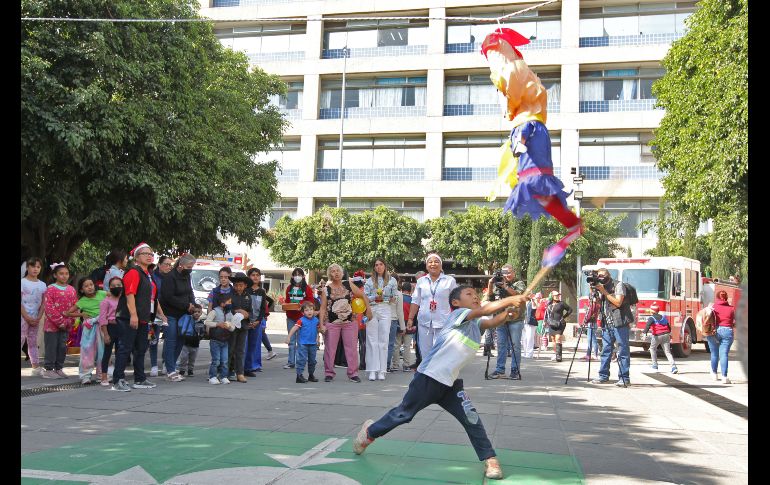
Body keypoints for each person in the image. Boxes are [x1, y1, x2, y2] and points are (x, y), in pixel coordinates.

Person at [353, 286, 529, 480]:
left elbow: (498, 319)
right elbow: (485, 311)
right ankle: (370, 432)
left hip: (450, 384)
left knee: (472, 419)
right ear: (456, 303)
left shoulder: (476, 325)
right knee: (403, 414)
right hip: (428, 378)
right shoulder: (458, 316)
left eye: (476, 294)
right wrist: (509, 301)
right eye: (469, 294)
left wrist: (513, 310)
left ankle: (490, 458)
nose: (475, 297)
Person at [481, 27, 583, 268]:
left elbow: (519, 145)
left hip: (533, 176)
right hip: (536, 176)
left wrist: (518, 147)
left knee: (543, 196)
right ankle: (572, 227)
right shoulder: (536, 124)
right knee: (548, 200)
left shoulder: (527, 124)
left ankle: (572, 227)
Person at [111, 243, 166, 392]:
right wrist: (133, 315)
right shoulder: (133, 272)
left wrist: (161, 314)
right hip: (129, 317)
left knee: (141, 349)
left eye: (151, 254)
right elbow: (130, 295)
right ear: (136, 257)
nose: (149, 256)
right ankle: (118, 380)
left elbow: (153, 298)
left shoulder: (148, 275)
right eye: (145, 253)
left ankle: (140, 379)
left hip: (144, 318)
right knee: (125, 348)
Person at [321, 263, 367, 383]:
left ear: (342, 273)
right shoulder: (326, 289)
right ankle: (329, 373)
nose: (336, 273)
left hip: (350, 322)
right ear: (329, 274)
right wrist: (321, 324)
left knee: (351, 348)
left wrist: (368, 311)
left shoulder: (348, 284)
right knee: (330, 349)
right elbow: (322, 308)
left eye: (338, 271)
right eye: (333, 271)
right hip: (332, 322)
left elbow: (362, 295)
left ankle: (353, 373)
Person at [407, 253, 458, 361]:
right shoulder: (421, 281)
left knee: (441, 353)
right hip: (424, 322)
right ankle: (427, 376)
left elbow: (456, 301)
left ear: (441, 265)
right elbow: (416, 301)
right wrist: (410, 319)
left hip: (443, 322)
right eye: (430, 262)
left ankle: (440, 377)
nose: (433, 264)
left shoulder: (450, 281)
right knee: (426, 353)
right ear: (426, 265)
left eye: (436, 261)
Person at [590, 268, 633, 387]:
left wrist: (604, 291)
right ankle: (603, 376)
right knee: (606, 350)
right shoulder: (600, 286)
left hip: (620, 323)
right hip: (606, 323)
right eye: (598, 276)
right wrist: (594, 292)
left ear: (608, 276)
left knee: (622, 350)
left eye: (602, 275)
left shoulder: (618, 285)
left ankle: (624, 377)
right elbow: (599, 303)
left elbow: (618, 302)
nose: (600, 277)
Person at [159, 253, 197, 382]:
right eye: (189, 266)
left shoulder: (187, 276)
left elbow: (190, 291)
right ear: (181, 265)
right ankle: (170, 370)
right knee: (171, 341)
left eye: (192, 266)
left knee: (180, 341)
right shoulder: (170, 277)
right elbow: (168, 297)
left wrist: (193, 304)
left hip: (183, 314)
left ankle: (172, 367)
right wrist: (186, 305)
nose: (191, 268)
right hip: (170, 314)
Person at [487, 264, 526, 379]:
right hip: (501, 318)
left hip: (516, 319)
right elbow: (491, 298)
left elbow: (518, 295)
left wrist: (505, 287)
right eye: (505, 272)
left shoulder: (519, 283)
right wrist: (490, 284)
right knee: (501, 345)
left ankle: (515, 370)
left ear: (514, 272)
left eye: (509, 272)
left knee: (515, 345)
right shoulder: (498, 284)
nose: (507, 274)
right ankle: (500, 370)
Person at [364, 258, 399, 381]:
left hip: (385, 308)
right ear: (374, 267)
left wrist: (390, 298)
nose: (378, 267)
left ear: (385, 266)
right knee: (371, 339)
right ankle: (372, 369)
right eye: (376, 265)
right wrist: (375, 296)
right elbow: (366, 297)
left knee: (384, 340)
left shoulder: (392, 280)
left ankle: (382, 370)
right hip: (372, 309)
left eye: (381, 264)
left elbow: (395, 297)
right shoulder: (369, 281)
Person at [42, 263, 79, 379]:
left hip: (66, 325)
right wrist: (60, 322)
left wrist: (71, 321)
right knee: (51, 347)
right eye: (61, 274)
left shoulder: (71, 290)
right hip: (52, 325)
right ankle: (48, 369)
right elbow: (49, 307)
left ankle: (59, 368)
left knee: (62, 347)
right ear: (55, 275)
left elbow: (75, 305)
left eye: (66, 273)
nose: (64, 276)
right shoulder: (50, 288)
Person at [69, 277, 107, 384]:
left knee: (103, 352)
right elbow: (68, 313)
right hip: (89, 328)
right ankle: (85, 376)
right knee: (87, 351)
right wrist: (81, 314)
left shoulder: (102, 293)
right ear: (81, 290)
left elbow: (115, 295)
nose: (89, 287)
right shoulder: (82, 301)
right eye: (86, 286)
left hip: (103, 326)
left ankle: (102, 375)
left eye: (91, 284)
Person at [286, 301, 325, 383]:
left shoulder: (316, 320)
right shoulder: (301, 320)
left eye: (311, 309)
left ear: (314, 311)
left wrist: (318, 339)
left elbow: (317, 330)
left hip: (313, 344)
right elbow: (294, 328)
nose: (309, 311)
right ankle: (299, 376)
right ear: (303, 312)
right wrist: (289, 337)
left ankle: (311, 375)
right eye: (307, 310)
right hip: (303, 344)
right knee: (302, 360)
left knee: (312, 361)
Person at [283, 268, 314, 369]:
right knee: (291, 341)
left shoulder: (307, 288)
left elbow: (311, 302)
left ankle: (301, 361)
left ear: (303, 276)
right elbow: (287, 301)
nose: (297, 276)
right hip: (291, 317)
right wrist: (286, 306)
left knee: (301, 341)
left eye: (299, 274)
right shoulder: (289, 288)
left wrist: (301, 306)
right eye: (295, 274)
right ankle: (291, 362)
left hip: (303, 319)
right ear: (292, 276)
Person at [244, 267, 272, 376]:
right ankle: (242, 367)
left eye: (257, 275)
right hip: (246, 322)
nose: (255, 277)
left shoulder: (261, 291)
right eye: (253, 275)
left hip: (257, 322)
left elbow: (262, 309)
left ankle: (250, 367)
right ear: (249, 277)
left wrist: (259, 320)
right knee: (244, 345)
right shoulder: (246, 290)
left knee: (253, 345)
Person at [21, 257, 46, 377]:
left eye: (38, 267)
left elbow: (43, 303)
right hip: (23, 316)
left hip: (35, 318)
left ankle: (35, 366)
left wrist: (38, 317)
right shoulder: (22, 282)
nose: (35, 269)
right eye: (33, 266)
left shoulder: (42, 285)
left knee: (32, 341)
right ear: (27, 267)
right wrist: (26, 316)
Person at [226, 272, 253, 383]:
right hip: (232, 326)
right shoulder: (230, 295)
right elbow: (227, 310)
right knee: (230, 349)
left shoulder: (248, 296)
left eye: (241, 285)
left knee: (240, 350)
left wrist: (248, 315)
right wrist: (237, 311)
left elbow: (251, 312)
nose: (238, 287)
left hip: (244, 326)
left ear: (245, 285)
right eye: (236, 285)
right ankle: (226, 372)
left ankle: (240, 373)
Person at [149, 255, 173, 377]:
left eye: (170, 265)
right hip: (155, 312)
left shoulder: (171, 277)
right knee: (154, 339)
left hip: (169, 311)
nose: (169, 267)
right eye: (166, 264)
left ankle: (166, 363)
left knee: (168, 338)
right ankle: (154, 365)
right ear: (159, 265)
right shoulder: (152, 277)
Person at [205, 294, 236, 385]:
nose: (230, 303)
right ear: (222, 303)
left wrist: (229, 326)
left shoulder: (230, 313)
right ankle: (213, 376)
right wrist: (217, 324)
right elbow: (207, 322)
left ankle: (223, 376)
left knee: (225, 360)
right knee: (216, 360)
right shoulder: (214, 311)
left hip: (225, 340)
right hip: (215, 340)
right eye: (228, 302)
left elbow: (233, 327)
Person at [706, 290, 736, 383]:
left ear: (717, 297)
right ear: (726, 298)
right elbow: (735, 322)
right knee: (724, 354)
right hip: (727, 331)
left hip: (713, 331)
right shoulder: (732, 308)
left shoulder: (712, 307)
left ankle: (714, 374)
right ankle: (724, 377)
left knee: (714, 353)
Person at [98, 276, 123, 386]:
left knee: (120, 352)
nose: (116, 287)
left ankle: (118, 374)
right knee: (107, 352)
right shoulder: (105, 302)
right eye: (113, 286)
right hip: (110, 327)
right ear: (109, 287)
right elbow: (102, 319)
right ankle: (104, 376)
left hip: (122, 327)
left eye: (119, 285)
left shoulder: (124, 300)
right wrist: (106, 334)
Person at [643, 302, 678, 374]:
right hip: (666, 335)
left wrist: (644, 334)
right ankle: (673, 367)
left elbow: (647, 326)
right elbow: (668, 327)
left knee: (652, 349)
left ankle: (655, 365)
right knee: (668, 352)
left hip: (657, 336)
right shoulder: (663, 317)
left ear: (652, 311)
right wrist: (670, 333)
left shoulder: (651, 318)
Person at [392, 281, 415, 371]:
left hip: (398, 324)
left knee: (396, 345)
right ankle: (406, 365)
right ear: (410, 290)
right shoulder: (412, 300)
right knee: (407, 346)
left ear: (401, 289)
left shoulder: (398, 298)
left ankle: (395, 365)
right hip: (409, 325)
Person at [386, 273, 406, 373]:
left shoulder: (382, 292)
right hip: (393, 320)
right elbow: (400, 312)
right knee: (390, 344)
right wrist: (403, 326)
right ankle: (387, 365)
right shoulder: (398, 294)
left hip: (381, 319)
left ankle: (379, 365)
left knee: (381, 344)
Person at [177, 304, 204, 377]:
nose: (197, 313)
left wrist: (200, 337)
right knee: (183, 357)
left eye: (199, 312)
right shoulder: (188, 318)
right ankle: (182, 370)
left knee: (193, 358)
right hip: (186, 341)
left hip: (195, 343)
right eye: (195, 311)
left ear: (201, 313)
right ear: (192, 312)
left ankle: (190, 370)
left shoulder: (201, 323)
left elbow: (202, 333)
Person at [545, 291, 572, 362]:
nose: (557, 296)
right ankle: (555, 353)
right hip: (551, 324)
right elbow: (547, 314)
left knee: (558, 338)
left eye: (558, 295)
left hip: (560, 323)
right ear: (552, 296)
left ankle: (559, 356)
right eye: (556, 295)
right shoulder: (549, 304)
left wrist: (564, 317)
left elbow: (570, 310)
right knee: (553, 339)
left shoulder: (561, 303)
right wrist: (546, 321)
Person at [521, 293, 538, 359]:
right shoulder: (523, 303)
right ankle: (525, 352)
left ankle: (529, 353)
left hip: (531, 322)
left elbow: (535, 307)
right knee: (524, 338)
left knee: (530, 338)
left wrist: (533, 300)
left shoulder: (532, 302)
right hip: (523, 322)